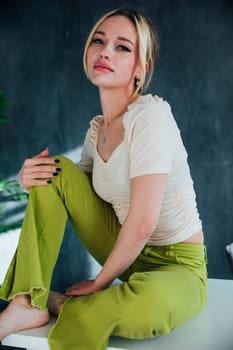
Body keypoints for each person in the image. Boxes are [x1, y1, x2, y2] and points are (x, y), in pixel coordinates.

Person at [0, 7, 207, 350]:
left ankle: (65, 305)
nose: (105, 51)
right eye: (99, 40)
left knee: (123, 313)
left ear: (141, 69)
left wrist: (100, 283)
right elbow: (66, 189)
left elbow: (142, 222)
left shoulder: (152, 115)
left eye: (123, 47)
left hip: (177, 267)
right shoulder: (97, 130)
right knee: (54, 169)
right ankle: (26, 303)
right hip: (127, 254)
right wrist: (27, 181)